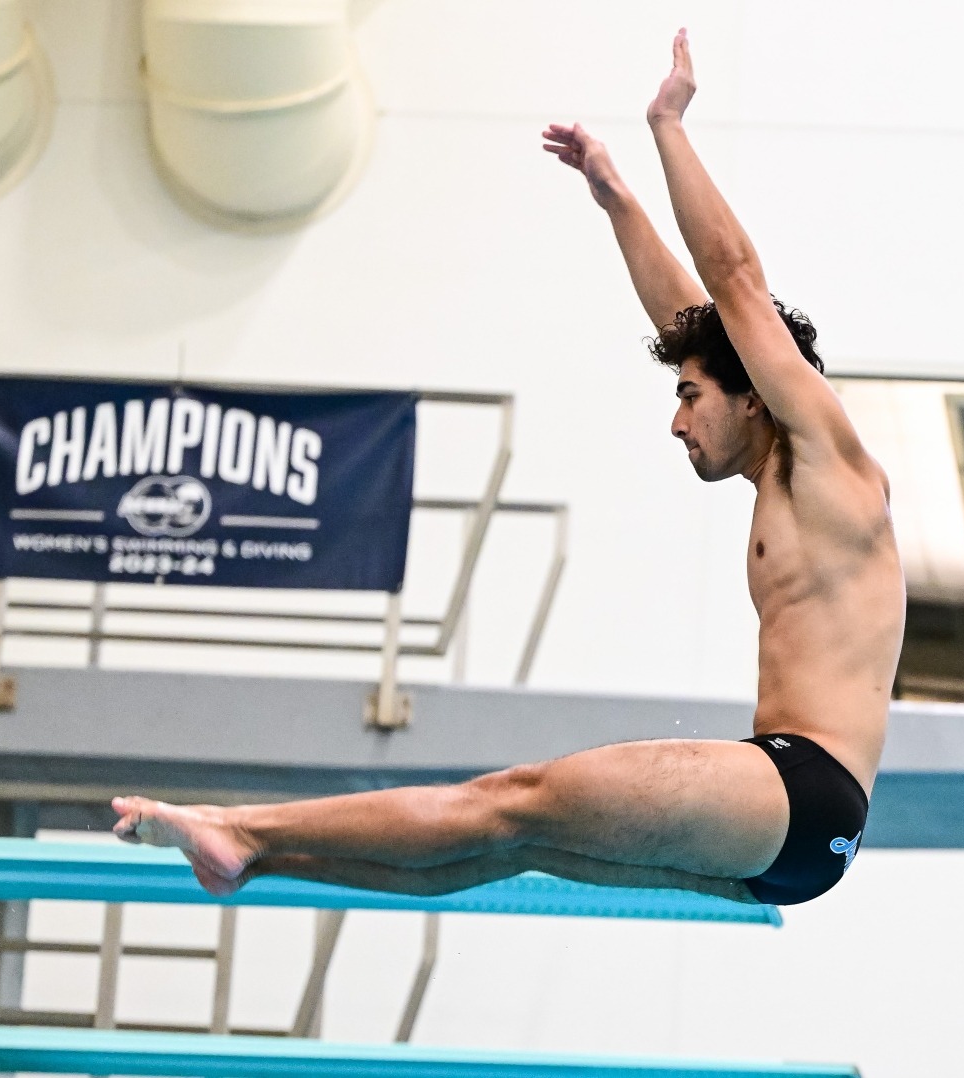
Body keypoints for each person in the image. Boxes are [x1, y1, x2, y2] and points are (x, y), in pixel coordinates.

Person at [112, 30, 905, 906]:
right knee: (506, 838)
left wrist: (666, 124)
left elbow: (734, 282)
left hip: (800, 788)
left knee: (512, 798)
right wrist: (616, 202)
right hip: (797, 837)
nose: (677, 421)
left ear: (755, 392)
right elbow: (695, 314)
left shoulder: (833, 460)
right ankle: (252, 853)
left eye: (688, 397)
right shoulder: (784, 475)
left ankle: (245, 827)